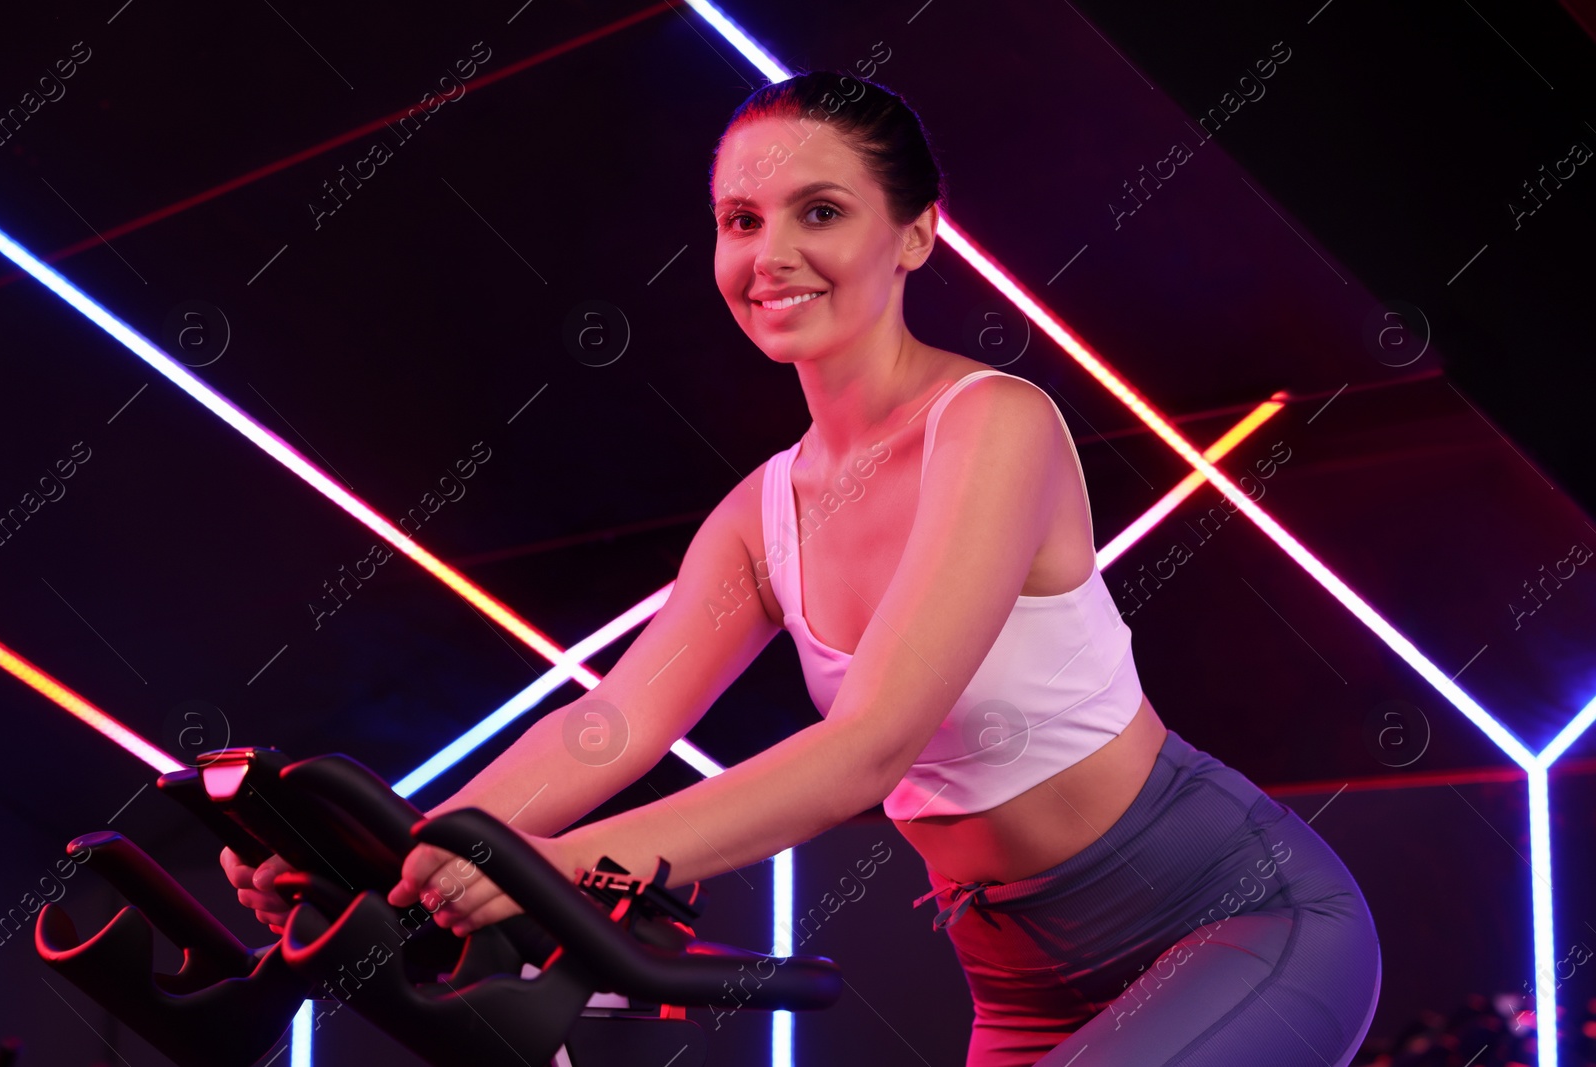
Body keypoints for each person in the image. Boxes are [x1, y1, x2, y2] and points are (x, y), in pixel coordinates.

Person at [223, 70, 1381, 1066]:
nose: (769, 255)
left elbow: (864, 747)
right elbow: (614, 724)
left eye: (818, 211)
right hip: (1017, 982)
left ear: (916, 233)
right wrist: (396, 856)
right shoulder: (759, 513)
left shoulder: (994, 427)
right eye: (739, 219)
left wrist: (548, 868)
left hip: (1225, 915)